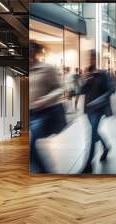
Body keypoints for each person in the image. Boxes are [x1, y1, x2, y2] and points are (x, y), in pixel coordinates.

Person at [29, 42, 67, 173]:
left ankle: (44, 172)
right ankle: (41, 171)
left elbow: (60, 88)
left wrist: (45, 100)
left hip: (42, 113)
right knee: (30, 146)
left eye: (32, 49)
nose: (29, 52)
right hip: (28, 113)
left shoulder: (46, 68)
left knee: (31, 143)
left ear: (36, 51)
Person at [80, 50, 116, 174]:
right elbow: (81, 90)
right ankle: (106, 147)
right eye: (90, 57)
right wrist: (85, 80)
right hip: (88, 109)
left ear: (97, 59)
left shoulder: (103, 74)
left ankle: (88, 164)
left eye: (93, 57)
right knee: (95, 132)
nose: (91, 60)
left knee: (91, 135)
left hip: (99, 109)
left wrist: (99, 100)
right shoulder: (87, 73)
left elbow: (112, 89)